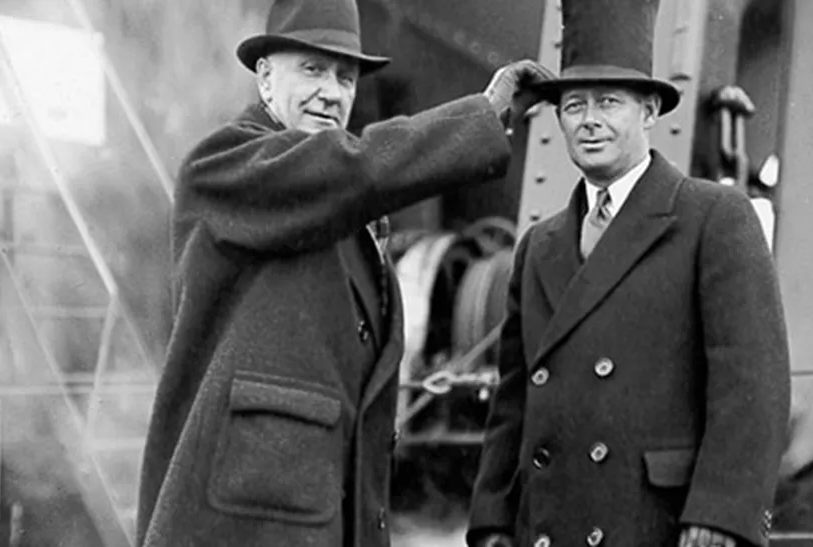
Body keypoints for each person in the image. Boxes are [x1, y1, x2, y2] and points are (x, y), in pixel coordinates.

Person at [134, 0, 553, 544]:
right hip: (240, 526)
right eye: (312, 69)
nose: (331, 92)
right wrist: (480, 115)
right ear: (264, 77)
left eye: (345, 76)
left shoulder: (345, 214)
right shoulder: (223, 169)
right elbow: (348, 169)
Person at [466, 1, 790, 546]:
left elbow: (753, 383)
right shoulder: (538, 247)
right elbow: (513, 402)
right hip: (546, 526)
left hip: (657, 524)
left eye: (609, 102)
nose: (589, 120)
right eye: (574, 105)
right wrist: (493, 520)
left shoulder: (713, 218)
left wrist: (722, 512)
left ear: (648, 112)